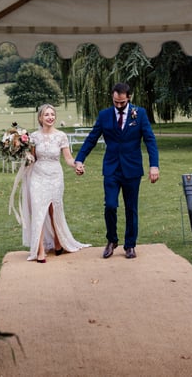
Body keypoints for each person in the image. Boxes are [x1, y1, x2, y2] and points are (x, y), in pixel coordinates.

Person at [74, 82, 159, 259]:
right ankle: (111, 240)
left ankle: (130, 245)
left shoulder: (140, 114)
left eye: (122, 102)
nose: (118, 105)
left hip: (132, 168)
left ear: (129, 98)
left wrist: (154, 165)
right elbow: (91, 139)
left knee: (131, 208)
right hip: (111, 168)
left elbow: (150, 140)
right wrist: (80, 159)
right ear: (112, 98)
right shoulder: (104, 115)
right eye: (115, 102)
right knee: (110, 205)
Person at [18, 104, 90, 263]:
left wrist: (77, 165)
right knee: (39, 211)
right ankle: (40, 249)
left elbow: (68, 159)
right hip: (38, 176)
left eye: (52, 114)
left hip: (55, 176)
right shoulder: (34, 137)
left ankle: (58, 241)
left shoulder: (61, 136)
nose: (50, 117)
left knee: (53, 210)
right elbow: (32, 158)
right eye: (46, 115)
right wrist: (23, 156)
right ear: (40, 118)